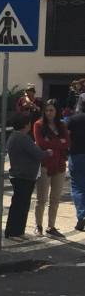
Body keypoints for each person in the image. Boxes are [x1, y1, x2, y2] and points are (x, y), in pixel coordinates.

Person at [5, 112, 50, 240]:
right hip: (23, 175)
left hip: (20, 174)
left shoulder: (14, 137)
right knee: (20, 205)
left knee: (22, 205)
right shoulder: (22, 138)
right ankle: (13, 232)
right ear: (26, 124)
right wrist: (47, 152)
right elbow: (38, 154)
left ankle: (18, 231)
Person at [32, 100, 72, 237]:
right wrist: (58, 142)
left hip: (59, 165)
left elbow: (67, 143)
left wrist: (52, 143)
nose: (49, 113)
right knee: (41, 199)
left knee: (55, 198)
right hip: (45, 165)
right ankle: (38, 225)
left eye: (52, 110)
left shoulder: (61, 125)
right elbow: (41, 143)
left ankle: (51, 226)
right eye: (47, 110)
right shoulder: (38, 125)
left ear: (57, 112)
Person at [68, 94, 85, 233]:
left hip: (77, 155)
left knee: (77, 187)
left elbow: (66, 136)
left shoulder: (73, 119)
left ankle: (81, 215)